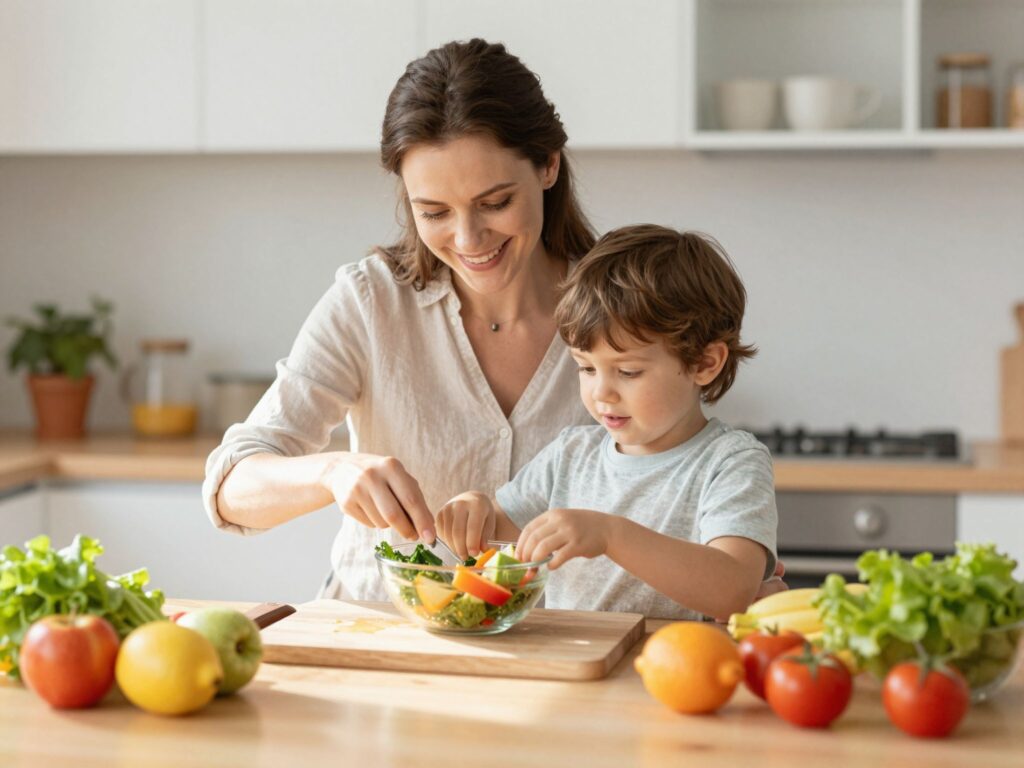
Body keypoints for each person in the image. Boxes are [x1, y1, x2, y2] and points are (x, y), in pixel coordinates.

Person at [202, 38, 785, 604]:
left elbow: (697, 521)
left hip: (557, 653)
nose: (468, 239)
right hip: (376, 633)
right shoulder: (370, 301)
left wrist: (735, 585)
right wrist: (332, 472)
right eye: (434, 212)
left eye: (495, 203)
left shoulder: (615, 306)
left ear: (548, 165)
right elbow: (229, 488)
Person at [435, 225, 777, 620]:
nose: (602, 393)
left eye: (628, 372)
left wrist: (612, 535)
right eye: (586, 368)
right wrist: (473, 511)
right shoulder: (570, 455)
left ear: (704, 363)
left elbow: (732, 589)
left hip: (676, 658)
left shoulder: (731, 462)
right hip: (578, 655)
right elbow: (495, 536)